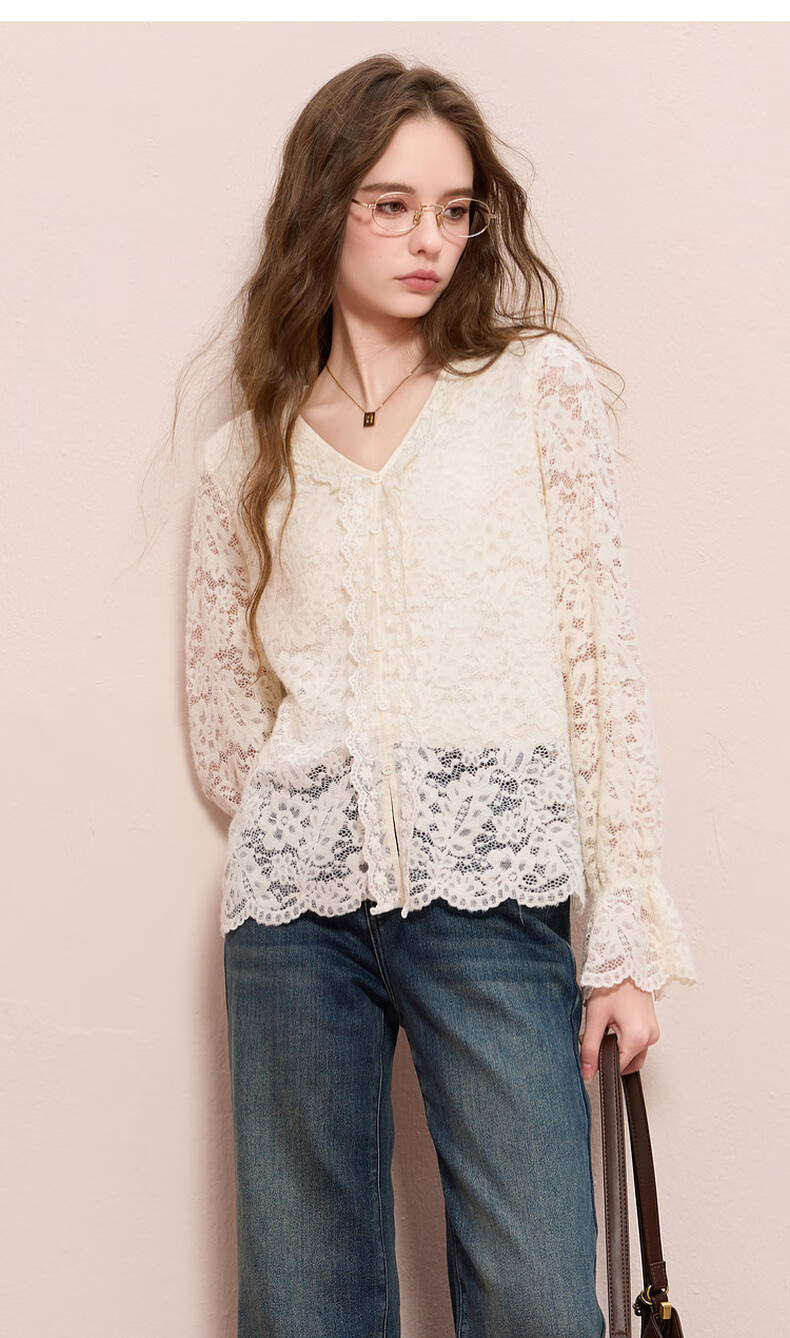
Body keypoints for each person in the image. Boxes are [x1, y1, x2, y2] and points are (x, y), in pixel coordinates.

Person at [184, 54, 696, 1338]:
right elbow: (227, 716)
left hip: (492, 893)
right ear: (323, 209)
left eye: (455, 209)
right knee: (303, 1305)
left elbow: (599, 667)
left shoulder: (532, 390)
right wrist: (325, 810)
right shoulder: (246, 449)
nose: (430, 240)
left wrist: (623, 940)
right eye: (392, 205)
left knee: (536, 1298)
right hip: (293, 921)